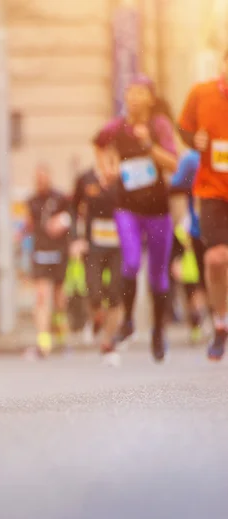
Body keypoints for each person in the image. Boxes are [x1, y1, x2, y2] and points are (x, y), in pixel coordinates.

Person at [93, 75, 178, 362]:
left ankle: (157, 330)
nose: (133, 97)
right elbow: (98, 142)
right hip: (126, 207)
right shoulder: (117, 127)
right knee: (130, 262)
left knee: (158, 277)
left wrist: (148, 145)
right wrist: (106, 169)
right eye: (129, 92)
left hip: (157, 210)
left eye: (140, 92)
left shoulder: (159, 126)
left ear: (150, 99)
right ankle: (128, 321)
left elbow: (174, 162)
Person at [178, 50, 228, 361]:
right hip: (211, 189)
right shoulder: (201, 93)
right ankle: (220, 323)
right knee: (214, 259)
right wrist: (192, 139)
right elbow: (184, 127)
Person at [71, 157, 123, 363]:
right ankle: (97, 318)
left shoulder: (124, 178)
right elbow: (73, 207)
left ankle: (107, 343)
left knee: (115, 292)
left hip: (119, 245)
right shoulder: (85, 178)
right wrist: (76, 238)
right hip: (94, 244)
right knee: (93, 291)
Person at [26, 164, 72, 357]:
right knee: (42, 297)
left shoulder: (60, 199)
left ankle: (61, 339)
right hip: (41, 253)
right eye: (38, 179)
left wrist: (61, 223)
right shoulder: (32, 201)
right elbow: (29, 225)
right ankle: (43, 343)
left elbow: (71, 219)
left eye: (44, 178)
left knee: (59, 300)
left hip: (59, 253)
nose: (41, 182)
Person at [169, 149, 207, 344]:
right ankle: (196, 324)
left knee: (205, 286)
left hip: (206, 240)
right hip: (189, 261)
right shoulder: (192, 159)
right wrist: (176, 260)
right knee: (194, 290)